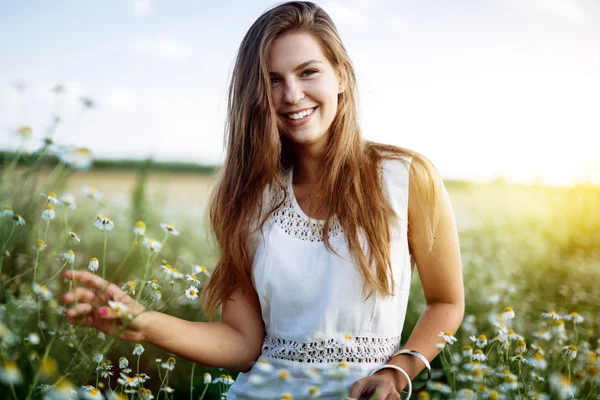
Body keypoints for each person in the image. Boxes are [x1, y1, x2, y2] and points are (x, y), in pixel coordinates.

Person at [61, 1, 465, 399]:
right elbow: (242, 343)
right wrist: (144, 323)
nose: (291, 94)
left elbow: (446, 302)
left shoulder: (406, 177)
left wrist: (396, 372)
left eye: (308, 72)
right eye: (272, 80)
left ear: (340, 76)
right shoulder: (248, 197)